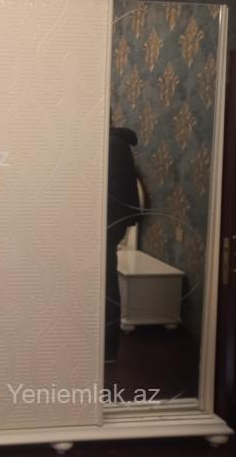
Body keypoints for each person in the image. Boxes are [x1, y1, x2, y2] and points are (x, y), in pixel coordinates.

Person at [106, 126, 142, 362]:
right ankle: (107, 348)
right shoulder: (117, 142)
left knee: (107, 284)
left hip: (107, 225)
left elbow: (111, 193)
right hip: (112, 224)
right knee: (107, 281)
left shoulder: (111, 144)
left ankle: (107, 348)